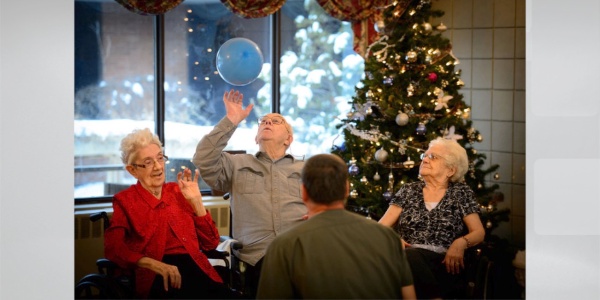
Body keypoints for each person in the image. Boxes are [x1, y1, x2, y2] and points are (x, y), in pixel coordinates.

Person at [192, 89, 306, 297]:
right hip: (258, 255)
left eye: (276, 121)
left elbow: (329, 202)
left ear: (289, 139)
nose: (267, 122)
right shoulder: (236, 164)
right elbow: (202, 159)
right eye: (263, 121)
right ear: (256, 138)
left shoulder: (306, 168)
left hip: (302, 250)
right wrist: (231, 121)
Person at [256, 154, 417, 299]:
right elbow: (409, 296)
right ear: (346, 190)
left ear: (303, 192)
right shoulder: (389, 237)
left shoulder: (284, 245)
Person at [104, 128, 235, 299]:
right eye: (148, 162)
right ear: (133, 170)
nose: (158, 167)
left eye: (160, 158)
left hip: (195, 267)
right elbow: (114, 249)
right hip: (156, 276)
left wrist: (197, 202)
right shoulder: (125, 200)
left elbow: (210, 244)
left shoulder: (178, 191)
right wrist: (154, 265)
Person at [379, 137, 486, 299]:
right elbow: (381, 227)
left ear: (450, 170)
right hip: (406, 259)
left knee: (409, 259)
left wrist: (460, 243)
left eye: (433, 157)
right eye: (425, 156)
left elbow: (478, 232)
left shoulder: (460, 193)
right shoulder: (409, 190)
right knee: (409, 257)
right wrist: (393, 239)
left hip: (444, 264)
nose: (425, 160)